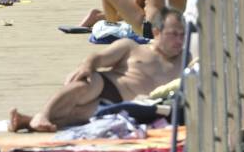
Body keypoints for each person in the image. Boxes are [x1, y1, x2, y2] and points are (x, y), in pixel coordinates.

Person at [9, 7, 187, 132]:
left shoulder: (185, 60)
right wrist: (85, 67)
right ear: (156, 32)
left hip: (127, 105)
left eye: (182, 35)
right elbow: (97, 58)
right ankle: (44, 114)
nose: (179, 41)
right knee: (85, 82)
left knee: (78, 115)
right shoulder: (132, 47)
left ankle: (28, 122)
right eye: (173, 34)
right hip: (107, 84)